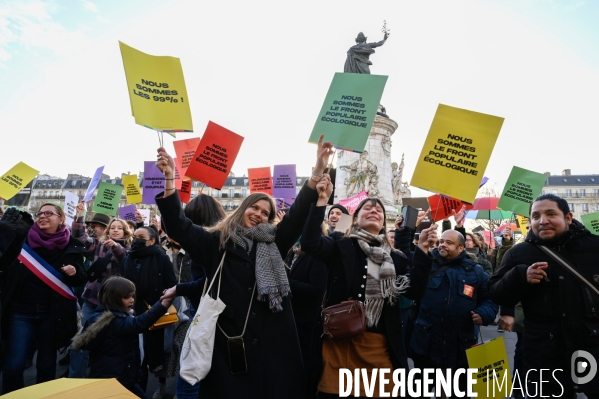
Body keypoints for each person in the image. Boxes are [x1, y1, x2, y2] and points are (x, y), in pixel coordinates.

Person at [157, 135, 333, 398]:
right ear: (242, 209)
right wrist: (170, 180)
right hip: (227, 344)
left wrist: (317, 170)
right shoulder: (215, 243)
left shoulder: (274, 242)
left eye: (266, 213)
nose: (260, 214)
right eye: (255, 207)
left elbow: (296, 216)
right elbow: (178, 227)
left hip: (271, 347)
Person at [299, 176, 432, 398]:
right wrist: (321, 201)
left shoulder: (395, 258)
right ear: (356, 219)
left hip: (378, 345)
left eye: (378, 210)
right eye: (367, 208)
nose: (374, 211)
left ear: (383, 223)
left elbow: (415, 291)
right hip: (339, 341)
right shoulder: (340, 246)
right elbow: (310, 243)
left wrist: (424, 251)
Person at [489, 194, 599, 398]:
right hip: (543, 352)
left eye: (550, 214)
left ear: (568, 217)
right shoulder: (518, 253)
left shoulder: (594, 247)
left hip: (590, 348)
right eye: (536, 216)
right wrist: (520, 275)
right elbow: (496, 293)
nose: (542, 221)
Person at [0, 205, 86, 394]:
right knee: (13, 365)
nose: (42, 216)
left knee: (47, 367)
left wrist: (75, 271)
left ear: (61, 218)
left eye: (49, 213)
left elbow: (81, 277)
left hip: (52, 314)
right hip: (20, 312)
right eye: (39, 213)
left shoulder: (72, 244)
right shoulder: (21, 240)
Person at [409, 228, 497, 398]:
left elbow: (490, 299)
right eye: (442, 241)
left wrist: (484, 313)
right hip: (427, 342)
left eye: (449, 242)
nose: (443, 245)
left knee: (459, 392)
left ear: (461, 248)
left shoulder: (475, 271)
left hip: (460, 345)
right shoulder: (426, 264)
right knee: (420, 391)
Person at [71, 276, 174, 399]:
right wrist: (163, 304)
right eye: (126, 297)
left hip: (116, 375)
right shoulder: (115, 321)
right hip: (117, 378)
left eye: (132, 296)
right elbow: (140, 323)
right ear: (113, 298)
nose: (131, 300)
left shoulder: (99, 317)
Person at [69, 215, 132, 378]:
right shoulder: (98, 245)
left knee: (113, 345)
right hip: (92, 300)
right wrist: (79, 217)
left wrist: (116, 248)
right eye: (113, 228)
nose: (116, 230)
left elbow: (123, 259)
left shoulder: (132, 249)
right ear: (108, 231)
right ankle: (75, 380)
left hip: (116, 305)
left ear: (125, 232)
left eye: (119, 228)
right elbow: (80, 237)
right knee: (81, 340)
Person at [122, 226, 177, 398]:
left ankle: (160, 385)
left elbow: (171, 284)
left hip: (155, 313)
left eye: (141, 236)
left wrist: (160, 305)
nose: (137, 239)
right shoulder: (128, 258)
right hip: (131, 314)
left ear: (152, 241)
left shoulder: (161, 259)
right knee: (136, 356)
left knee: (154, 354)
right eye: (135, 236)